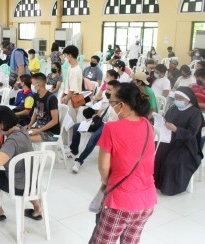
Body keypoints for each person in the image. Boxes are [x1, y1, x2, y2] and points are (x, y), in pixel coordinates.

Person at [91, 82, 156, 244]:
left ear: (122, 105)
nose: (111, 107)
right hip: (147, 202)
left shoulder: (111, 129)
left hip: (120, 202)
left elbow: (103, 167)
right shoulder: (147, 124)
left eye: (112, 102)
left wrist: (107, 182)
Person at [0, 106, 43, 221]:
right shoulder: (21, 130)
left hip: (19, 185)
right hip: (33, 181)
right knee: (22, 177)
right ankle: (37, 208)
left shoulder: (12, 141)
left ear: (2, 123)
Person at [154, 87, 204, 196]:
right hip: (171, 139)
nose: (177, 100)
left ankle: (170, 188)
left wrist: (176, 129)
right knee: (157, 152)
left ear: (188, 100)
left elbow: (191, 134)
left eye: (180, 98)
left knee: (172, 161)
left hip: (187, 144)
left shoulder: (195, 113)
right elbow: (167, 121)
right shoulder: (173, 108)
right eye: (176, 97)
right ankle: (157, 182)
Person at [69, 80, 120, 173]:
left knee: (93, 138)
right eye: (107, 89)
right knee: (76, 127)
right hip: (100, 121)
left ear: (116, 90)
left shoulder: (120, 103)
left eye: (109, 89)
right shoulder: (105, 96)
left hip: (110, 126)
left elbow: (118, 120)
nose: (106, 91)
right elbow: (101, 109)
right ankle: (74, 150)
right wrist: (95, 117)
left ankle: (79, 161)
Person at [26, 73, 60, 142]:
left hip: (50, 133)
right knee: (20, 134)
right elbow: (36, 112)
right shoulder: (37, 96)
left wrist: (39, 130)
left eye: (32, 84)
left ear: (37, 85)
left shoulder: (51, 98)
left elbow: (55, 120)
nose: (31, 86)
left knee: (24, 139)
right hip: (38, 129)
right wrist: (30, 125)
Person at [61, 45, 83, 122]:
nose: (65, 58)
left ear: (69, 55)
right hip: (67, 97)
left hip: (72, 99)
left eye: (65, 56)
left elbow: (72, 90)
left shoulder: (76, 70)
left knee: (70, 122)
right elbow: (67, 84)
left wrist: (65, 101)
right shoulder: (71, 67)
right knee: (66, 121)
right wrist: (62, 95)